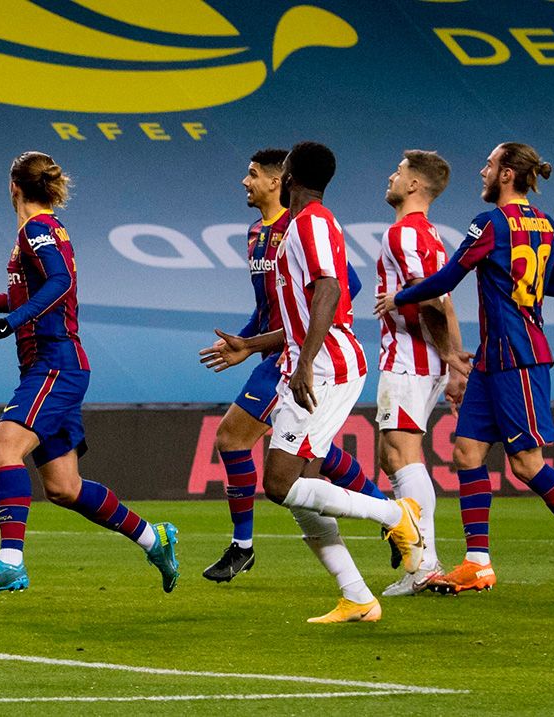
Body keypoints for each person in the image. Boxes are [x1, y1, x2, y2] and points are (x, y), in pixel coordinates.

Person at [378, 142, 554, 596]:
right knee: (466, 453)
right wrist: (526, 273)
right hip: (495, 358)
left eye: (489, 166)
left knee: (527, 465)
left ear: (507, 174)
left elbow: (448, 278)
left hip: (520, 357)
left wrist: (400, 297)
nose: (482, 172)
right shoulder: (546, 224)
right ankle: (477, 563)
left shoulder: (487, 224)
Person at [216, 141, 423, 624]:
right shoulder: (299, 225)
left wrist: (305, 361)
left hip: (327, 365)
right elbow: (298, 314)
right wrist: (256, 345)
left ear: (286, 175)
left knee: (281, 482)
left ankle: (396, 515)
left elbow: (331, 287)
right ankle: (357, 596)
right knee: (299, 484)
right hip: (303, 361)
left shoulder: (311, 224)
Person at [0, 151, 179, 598]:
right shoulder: (46, 228)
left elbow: (59, 283)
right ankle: (155, 539)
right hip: (56, 365)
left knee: (3, 451)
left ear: (13, 187)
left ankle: (11, 563)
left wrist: (10, 321)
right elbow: (38, 285)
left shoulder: (35, 228)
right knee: (64, 487)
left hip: (53, 364)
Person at [198, 148, 388, 584]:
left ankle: (243, 547)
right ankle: (381, 513)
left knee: (233, 438)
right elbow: (269, 305)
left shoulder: (300, 225)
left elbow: (342, 286)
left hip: (296, 357)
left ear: (276, 180)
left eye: (251, 175)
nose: (244, 183)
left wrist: (307, 341)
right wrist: (246, 342)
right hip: (271, 353)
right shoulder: (256, 233)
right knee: (311, 450)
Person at [371, 150, 469, 596]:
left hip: (410, 358)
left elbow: (430, 300)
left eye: (398, 172)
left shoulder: (404, 234)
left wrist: (451, 359)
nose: (391, 177)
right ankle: (421, 559)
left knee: (402, 457)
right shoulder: (429, 235)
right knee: (393, 456)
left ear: (414, 185)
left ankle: (424, 565)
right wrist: (455, 360)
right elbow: (445, 299)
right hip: (422, 359)